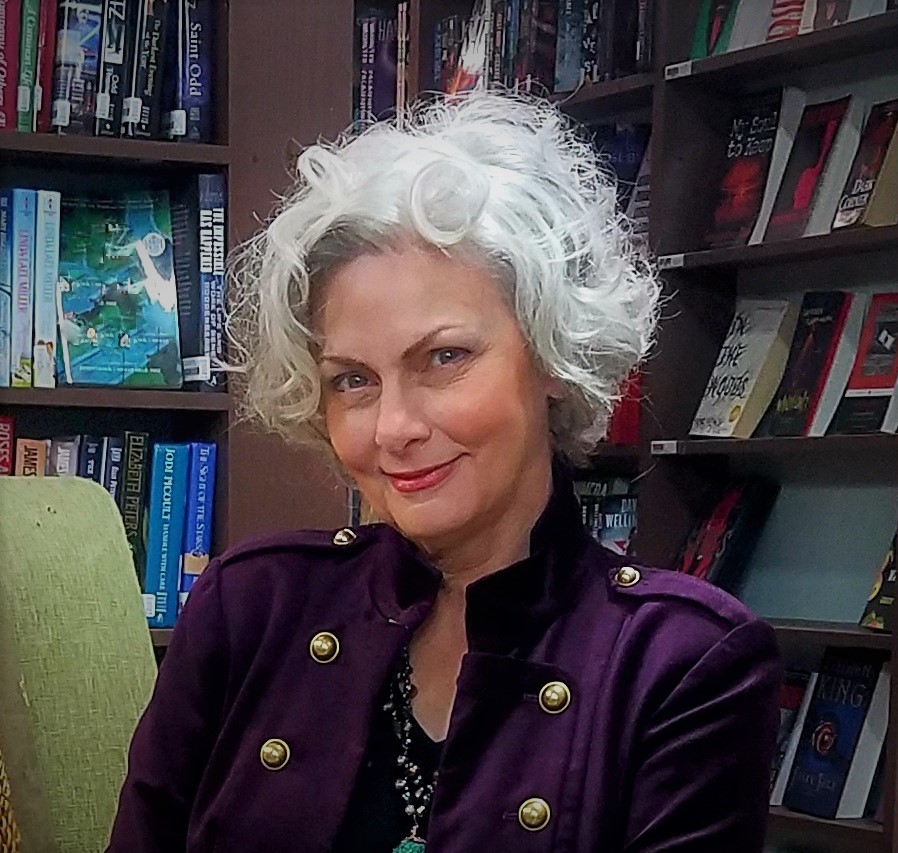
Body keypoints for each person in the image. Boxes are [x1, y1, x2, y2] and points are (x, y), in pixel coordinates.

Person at [107, 91, 782, 852]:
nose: (395, 427)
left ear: (551, 354)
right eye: (353, 379)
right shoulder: (248, 607)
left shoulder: (685, 664)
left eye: (445, 358)